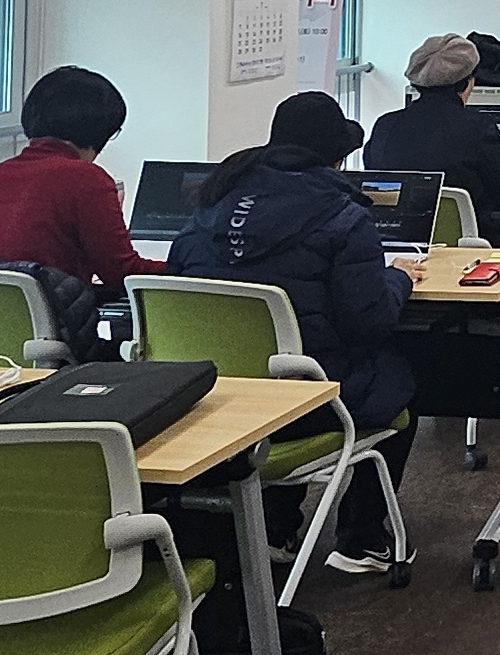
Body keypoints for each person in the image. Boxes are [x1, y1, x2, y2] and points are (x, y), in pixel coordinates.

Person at [169, 90, 415, 575]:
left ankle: (276, 529)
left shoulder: (206, 208)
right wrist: (399, 277)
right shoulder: (344, 217)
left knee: (296, 363)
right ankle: (362, 539)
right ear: (337, 157)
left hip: (213, 397)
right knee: (398, 384)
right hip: (301, 405)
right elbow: (371, 321)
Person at [0, 64, 160, 331]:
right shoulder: (85, 178)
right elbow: (120, 272)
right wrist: (190, 269)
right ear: (99, 131)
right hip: (55, 333)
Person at [359, 33, 500, 238]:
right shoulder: (477, 127)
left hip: (397, 242)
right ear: (466, 84)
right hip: (468, 243)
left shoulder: (385, 125)